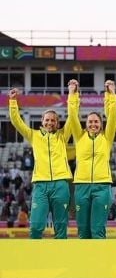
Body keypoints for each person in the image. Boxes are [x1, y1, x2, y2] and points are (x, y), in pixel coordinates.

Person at [8, 82, 75, 239]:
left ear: (57, 124)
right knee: (36, 226)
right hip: (40, 185)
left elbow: (72, 117)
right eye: (47, 120)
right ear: (42, 122)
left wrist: (72, 94)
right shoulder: (34, 135)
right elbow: (17, 121)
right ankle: (35, 261)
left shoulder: (62, 136)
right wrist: (12, 102)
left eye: (53, 120)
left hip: (60, 184)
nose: (50, 122)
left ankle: (61, 261)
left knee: (60, 228)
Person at [65, 80, 116, 239]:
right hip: (81, 186)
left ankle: (100, 263)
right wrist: (72, 93)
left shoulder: (107, 137)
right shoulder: (79, 136)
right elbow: (72, 114)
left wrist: (111, 94)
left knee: (98, 231)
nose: (93, 124)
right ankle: (84, 263)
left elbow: (113, 116)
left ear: (101, 125)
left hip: (102, 186)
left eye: (96, 122)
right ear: (86, 124)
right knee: (83, 231)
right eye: (90, 122)